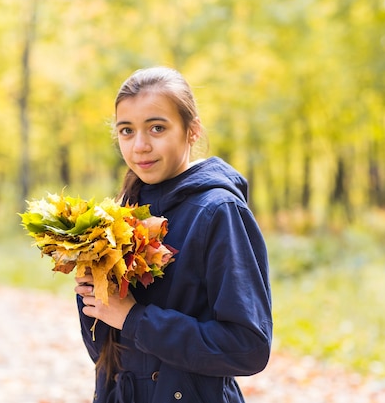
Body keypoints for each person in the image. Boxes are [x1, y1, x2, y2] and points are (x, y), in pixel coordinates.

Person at [74, 66, 273, 403]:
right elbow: (107, 354)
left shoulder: (219, 212)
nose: (140, 146)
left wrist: (135, 318)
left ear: (191, 131)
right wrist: (93, 298)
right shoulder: (120, 215)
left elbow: (248, 348)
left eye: (157, 128)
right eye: (127, 130)